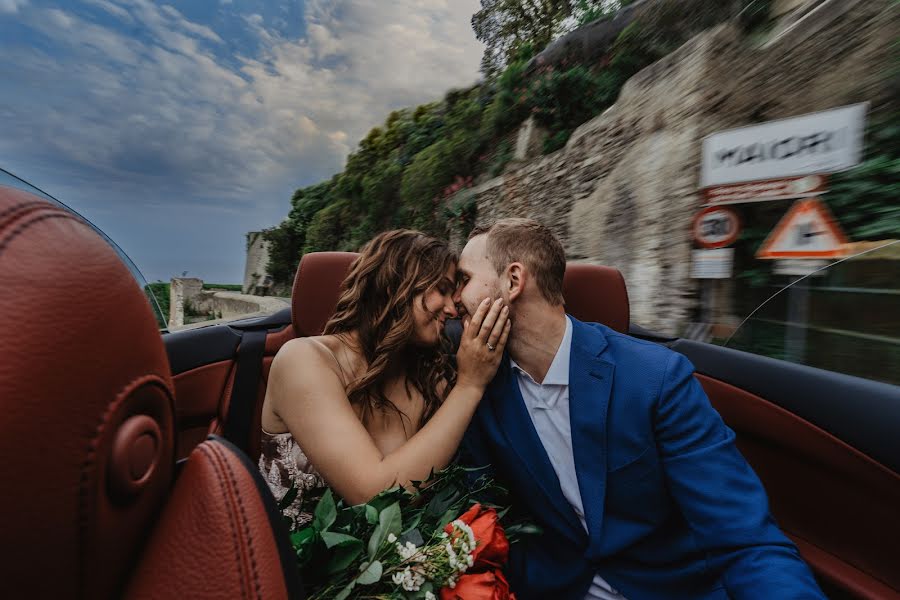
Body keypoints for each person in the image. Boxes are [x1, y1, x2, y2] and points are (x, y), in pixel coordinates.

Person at [453, 218, 825, 600]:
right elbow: (482, 521)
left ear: (514, 281)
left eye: (463, 280)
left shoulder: (655, 378)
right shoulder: (477, 390)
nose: (453, 301)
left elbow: (745, 539)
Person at [259, 229, 511, 527]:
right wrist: (471, 385)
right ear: (396, 285)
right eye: (441, 289)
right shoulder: (302, 360)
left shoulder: (427, 376)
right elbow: (375, 497)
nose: (451, 308)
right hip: (291, 564)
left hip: (403, 562)